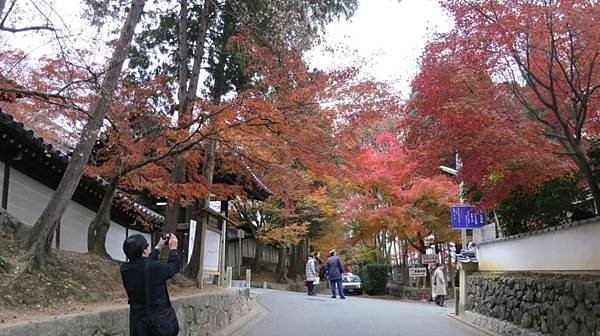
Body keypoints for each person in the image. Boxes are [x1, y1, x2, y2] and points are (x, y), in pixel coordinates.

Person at [121, 234, 181, 336]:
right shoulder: (154, 268)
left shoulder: (125, 270)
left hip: (138, 324)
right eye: (147, 246)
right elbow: (174, 267)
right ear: (144, 250)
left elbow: (145, 264)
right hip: (157, 325)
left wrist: (158, 247)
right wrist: (173, 249)